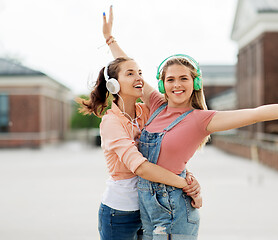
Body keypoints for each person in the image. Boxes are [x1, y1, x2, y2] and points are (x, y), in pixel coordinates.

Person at [103, 6, 278, 240]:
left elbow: (255, 113)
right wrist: (110, 39)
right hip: (148, 210)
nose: (177, 85)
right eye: (170, 79)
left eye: (184, 78)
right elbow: (129, 72)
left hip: (174, 211)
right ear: (162, 85)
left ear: (196, 83)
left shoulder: (202, 120)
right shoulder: (157, 104)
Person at [79, 10, 201, 240]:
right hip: (119, 213)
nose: (138, 79)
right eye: (131, 74)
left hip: (150, 207)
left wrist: (110, 40)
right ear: (114, 85)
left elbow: (163, 153)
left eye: (140, 73)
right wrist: (184, 183)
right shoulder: (111, 122)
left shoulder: (148, 111)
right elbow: (142, 167)